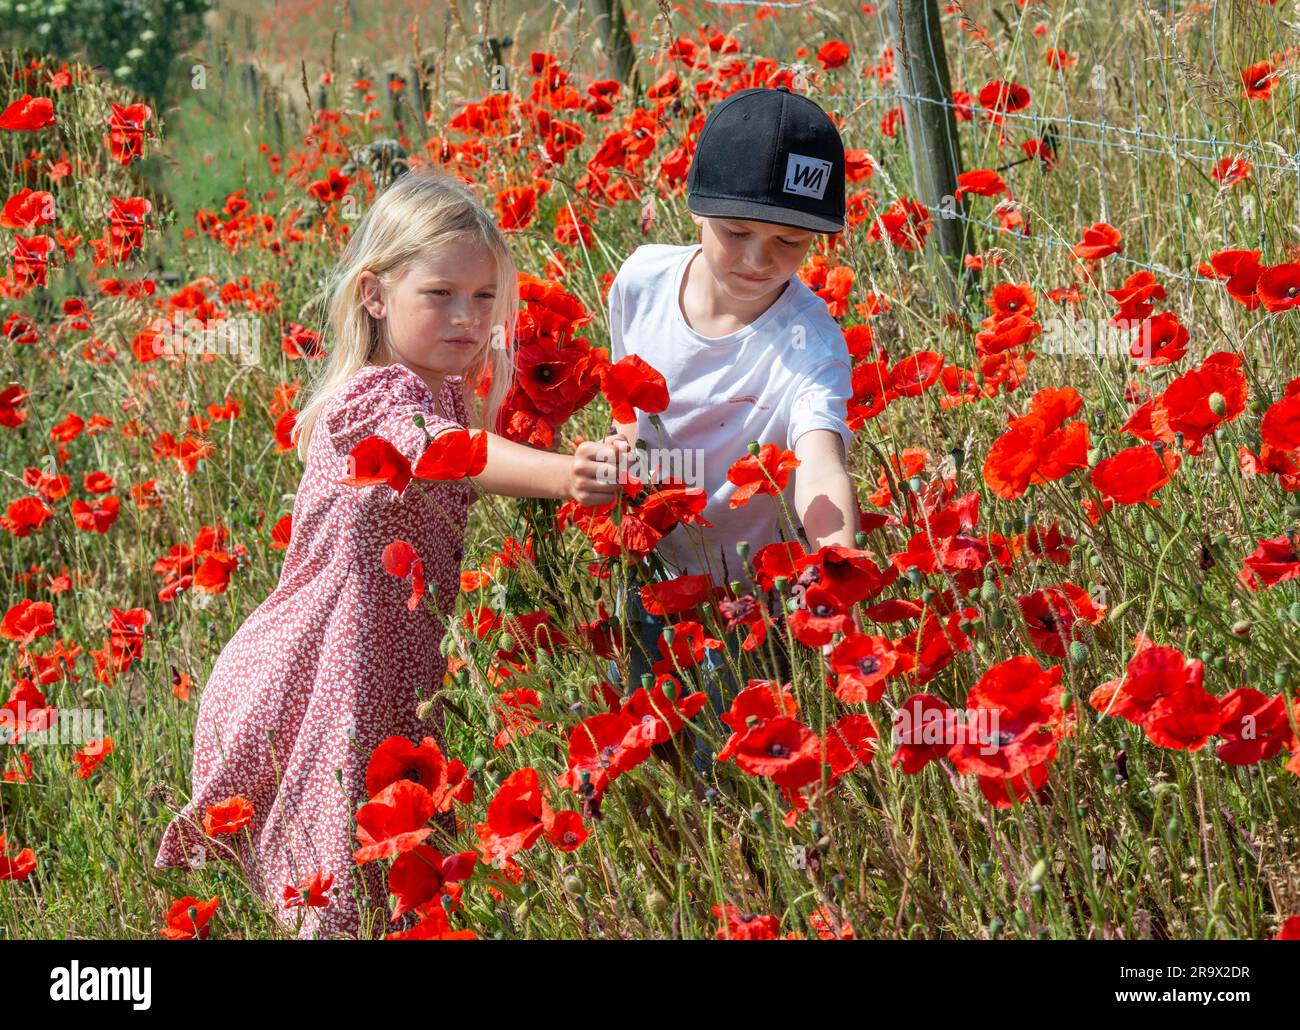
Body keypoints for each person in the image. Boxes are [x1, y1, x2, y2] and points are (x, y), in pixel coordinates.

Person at [153, 167, 624, 939]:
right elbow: (445, 454)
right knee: (338, 873)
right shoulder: (367, 398)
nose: (466, 318)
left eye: (482, 298)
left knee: (386, 862)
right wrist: (565, 477)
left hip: (386, 666)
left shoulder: (443, 388)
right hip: (320, 674)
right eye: (439, 294)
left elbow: (472, 442)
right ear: (374, 294)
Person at [605, 86, 860, 733]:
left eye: (790, 241)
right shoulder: (640, 283)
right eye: (737, 232)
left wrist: (836, 563)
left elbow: (820, 463)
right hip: (647, 571)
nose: (757, 259)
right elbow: (628, 416)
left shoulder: (811, 344)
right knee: (645, 735)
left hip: (747, 603)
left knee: (723, 763)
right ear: (696, 211)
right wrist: (616, 469)